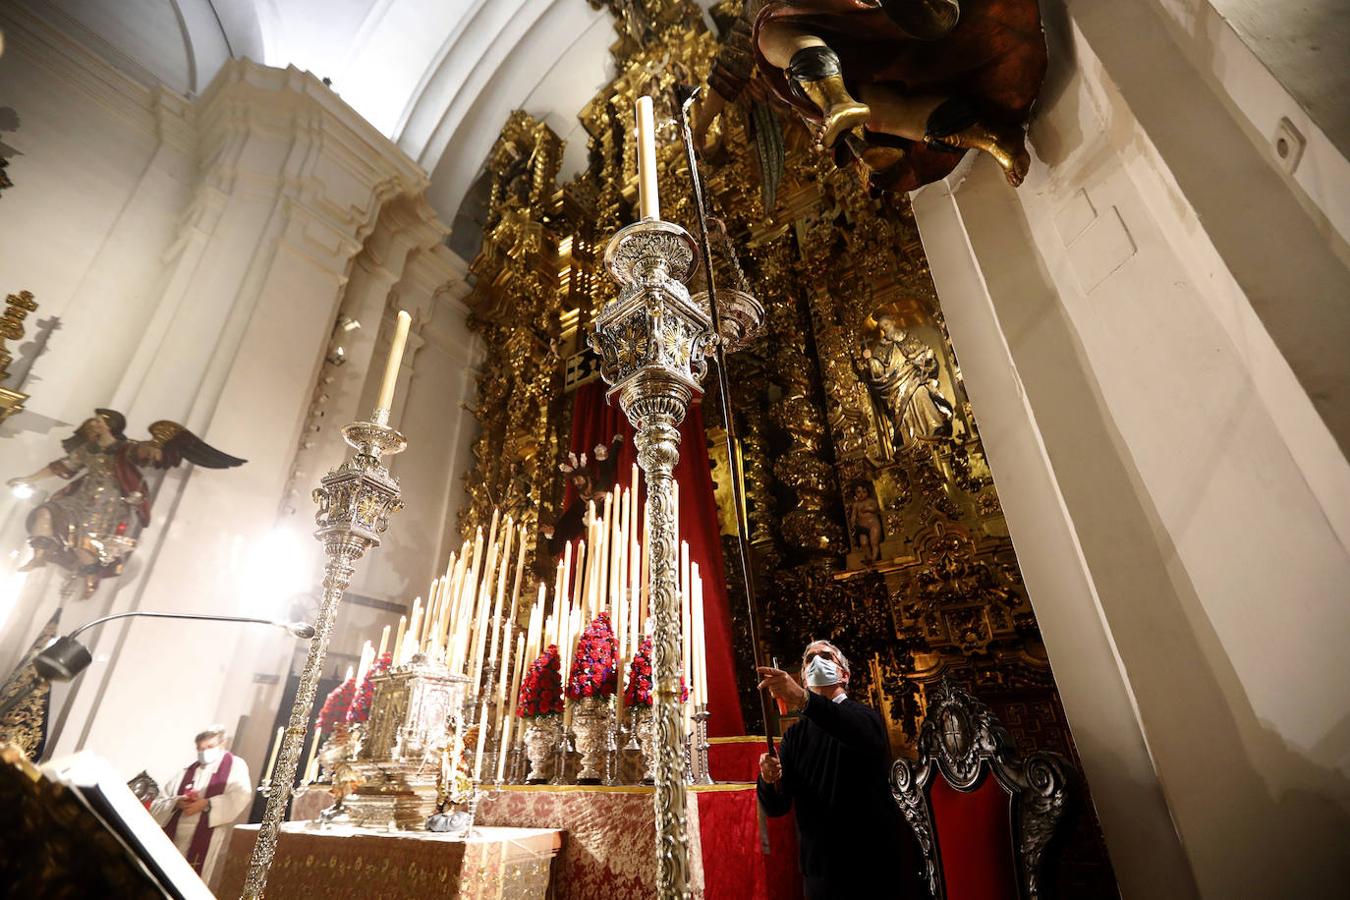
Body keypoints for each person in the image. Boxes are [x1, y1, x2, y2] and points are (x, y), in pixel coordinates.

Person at [757, 641, 918, 898]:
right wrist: (768, 778)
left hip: (870, 867)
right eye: (809, 658)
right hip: (819, 870)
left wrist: (801, 697)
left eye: (825, 655)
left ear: (844, 674)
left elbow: (852, 729)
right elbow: (777, 806)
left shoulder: (865, 717)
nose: (816, 661)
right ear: (803, 677)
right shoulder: (795, 736)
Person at [149, 725, 253, 885]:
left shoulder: (235, 766)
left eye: (210, 747)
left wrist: (207, 803)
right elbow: (156, 804)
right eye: (200, 749)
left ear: (222, 744)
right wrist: (177, 802)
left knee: (191, 885)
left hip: (205, 837)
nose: (204, 752)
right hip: (174, 837)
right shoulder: (186, 772)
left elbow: (240, 796)